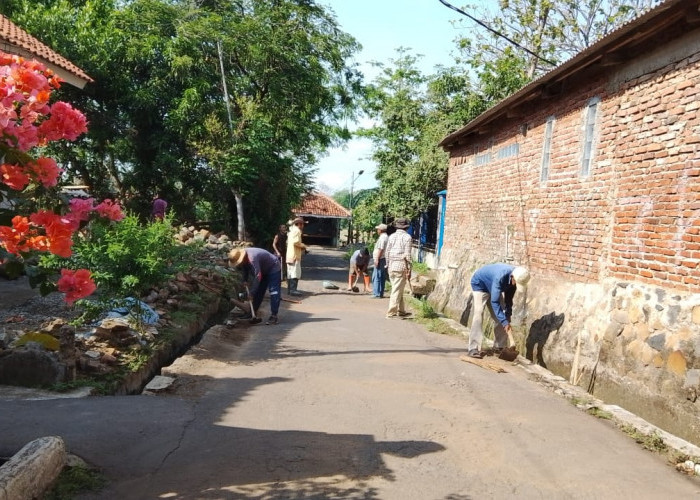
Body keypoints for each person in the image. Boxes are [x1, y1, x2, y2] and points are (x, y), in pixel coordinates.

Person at [467, 264, 531, 358]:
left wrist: (507, 316)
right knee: (479, 313)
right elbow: (495, 302)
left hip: (494, 287)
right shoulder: (501, 277)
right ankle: (473, 348)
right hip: (480, 285)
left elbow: (509, 300)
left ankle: (499, 346)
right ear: (512, 277)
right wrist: (504, 322)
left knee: (503, 316)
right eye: (516, 283)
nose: (516, 285)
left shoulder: (514, 280)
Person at [228, 247, 282, 325]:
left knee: (274, 291)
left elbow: (258, 276)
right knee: (259, 291)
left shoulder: (252, 258)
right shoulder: (244, 258)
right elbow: (245, 268)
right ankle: (252, 313)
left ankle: (274, 316)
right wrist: (245, 280)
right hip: (263, 269)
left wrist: (252, 293)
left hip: (273, 267)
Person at [385, 217, 413, 318]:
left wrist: (387, 264)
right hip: (401, 267)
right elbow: (407, 255)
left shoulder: (391, 236)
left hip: (391, 266)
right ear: (406, 227)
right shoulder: (407, 238)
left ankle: (401, 311)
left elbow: (387, 252)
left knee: (397, 288)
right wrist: (409, 269)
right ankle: (391, 312)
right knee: (396, 290)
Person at [286, 217, 307, 296]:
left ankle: (289, 290)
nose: (303, 226)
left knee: (290, 273)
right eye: (302, 224)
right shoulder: (297, 231)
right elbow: (296, 242)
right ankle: (293, 290)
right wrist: (303, 246)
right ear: (299, 224)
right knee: (295, 273)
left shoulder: (291, 231)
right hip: (295, 255)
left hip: (290, 255)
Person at [371, 223, 388, 298]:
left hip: (380, 259)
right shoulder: (385, 237)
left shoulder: (382, 238)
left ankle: (376, 293)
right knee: (381, 276)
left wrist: (377, 259)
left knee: (377, 276)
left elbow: (381, 249)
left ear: (380, 230)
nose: (377, 230)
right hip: (383, 259)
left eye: (378, 229)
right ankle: (380, 293)